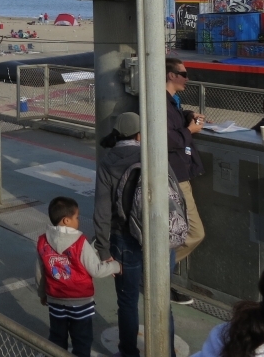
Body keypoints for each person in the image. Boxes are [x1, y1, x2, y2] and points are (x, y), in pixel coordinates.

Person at [93, 112, 177, 357]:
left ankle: (129, 352)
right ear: (141, 134)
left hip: (125, 239)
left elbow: (102, 211)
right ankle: (165, 352)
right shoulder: (154, 156)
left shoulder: (108, 162)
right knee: (162, 300)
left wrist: (104, 249)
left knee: (128, 302)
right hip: (161, 238)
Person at [36, 196, 120, 357]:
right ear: (66, 220)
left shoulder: (42, 241)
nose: (78, 220)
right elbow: (96, 269)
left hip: (55, 299)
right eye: (76, 217)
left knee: (57, 337)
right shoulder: (80, 243)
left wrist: (42, 294)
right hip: (80, 301)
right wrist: (115, 266)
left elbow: (40, 272)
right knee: (81, 339)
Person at [166, 57, 205, 300]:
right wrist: (190, 131)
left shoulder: (169, 102)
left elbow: (173, 119)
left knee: (175, 233)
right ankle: (154, 273)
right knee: (193, 232)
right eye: (183, 73)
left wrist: (188, 114)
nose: (187, 78)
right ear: (171, 75)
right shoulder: (162, 102)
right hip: (175, 176)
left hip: (177, 173)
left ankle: (156, 274)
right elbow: (167, 138)